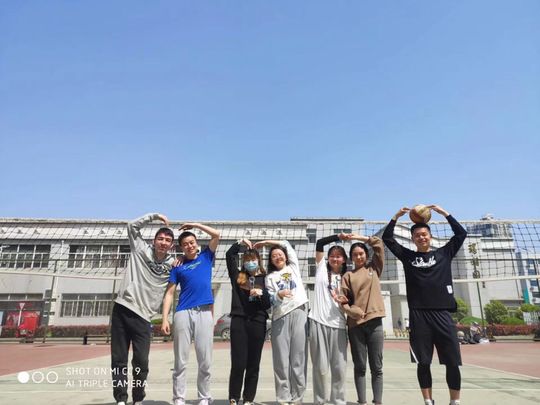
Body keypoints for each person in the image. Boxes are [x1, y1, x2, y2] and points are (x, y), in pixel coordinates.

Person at [382, 205, 467, 405]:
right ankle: (428, 401)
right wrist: (395, 217)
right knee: (423, 363)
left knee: (452, 362)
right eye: (417, 235)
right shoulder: (408, 257)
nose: (421, 237)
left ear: (430, 236)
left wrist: (444, 213)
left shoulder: (444, 253)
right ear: (413, 239)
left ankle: (455, 401)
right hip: (419, 316)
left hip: (443, 314)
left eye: (424, 234)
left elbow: (461, 234)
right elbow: (388, 239)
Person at [111, 213, 175, 405]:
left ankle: (138, 399)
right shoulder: (140, 248)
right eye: (160, 238)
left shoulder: (173, 265)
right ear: (154, 241)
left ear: (171, 245)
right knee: (119, 359)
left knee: (141, 362)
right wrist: (154, 216)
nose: (163, 242)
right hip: (123, 308)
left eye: (167, 240)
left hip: (143, 317)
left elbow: (172, 291)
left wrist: (165, 318)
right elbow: (132, 226)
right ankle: (121, 399)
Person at [162, 223, 221, 405]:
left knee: (205, 360)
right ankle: (179, 398)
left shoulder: (206, 256)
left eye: (192, 242)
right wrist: (165, 318)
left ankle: (204, 397)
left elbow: (216, 235)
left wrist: (195, 225)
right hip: (183, 313)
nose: (189, 246)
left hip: (204, 313)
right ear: (181, 247)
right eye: (185, 244)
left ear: (196, 243)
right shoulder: (178, 266)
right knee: (180, 360)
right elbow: (170, 293)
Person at [255, 239, 308, 405]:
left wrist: (266, 242)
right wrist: (279, 295)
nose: (277, 257)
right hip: (280, 317)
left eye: (280, 254)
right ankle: (283, 398)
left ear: (285, 256)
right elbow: (271, 300)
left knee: (298, 358)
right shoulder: (270, 277)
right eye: (273, 256)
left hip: (299, 311)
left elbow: (285, 243)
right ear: (271, 261)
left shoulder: (293, 267)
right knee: (281, 361)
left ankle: (297, 397)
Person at [338, 233, 386, 405]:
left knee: (377, 367)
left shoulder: (374, 268)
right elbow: (342, 302)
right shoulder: (347, 276)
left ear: (366, 254)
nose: (358, 257)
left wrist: (356, 237)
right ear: (351, 258)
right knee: (360, 367)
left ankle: (378, 402)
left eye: (361, 253)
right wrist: (352, 311)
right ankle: (362, 402)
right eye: (355, 255)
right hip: (355, 325)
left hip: (375, 323)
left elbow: (378, 244)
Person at [225, 238, 271, 405]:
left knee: (253, 362)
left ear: (258, 260)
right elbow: (229, 255)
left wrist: (261, 294)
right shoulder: (239, 277)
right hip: (239, 321)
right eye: (247, 260)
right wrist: (240, 243)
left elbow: (267, 304)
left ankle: (248, 398)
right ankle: (234, 397)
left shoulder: (265, 278)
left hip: (258, 321)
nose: (250, 262)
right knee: (238, 362)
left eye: (253, 259)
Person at [308, 233, 349, 405]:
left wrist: (346, 301)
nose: (335, 258)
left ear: (344, 260)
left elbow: (352, 301)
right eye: (332, 256)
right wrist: (338, 236)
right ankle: (319, 401)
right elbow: (319, 243)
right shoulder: (321, 269)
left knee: (339, 368)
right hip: (317, 322)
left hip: (339, 325)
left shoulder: (348, 277)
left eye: (339, 256)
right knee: (320, 367)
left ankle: (338, 400)